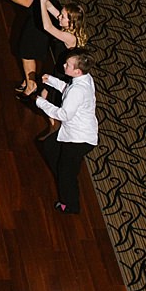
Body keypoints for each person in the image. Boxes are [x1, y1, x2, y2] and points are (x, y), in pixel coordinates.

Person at [34, 51, 97, 213]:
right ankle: (64, 175)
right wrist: (53, 81)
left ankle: (70, 206)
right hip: (75, 133)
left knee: (67, 174)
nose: (64, 65)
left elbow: (63, 115)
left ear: (77, 71)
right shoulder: (83, 79)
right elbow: (69, 91)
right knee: (50, 146)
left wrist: (40, 102)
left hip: (78, 138)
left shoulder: (78, 90)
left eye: (68, 65)